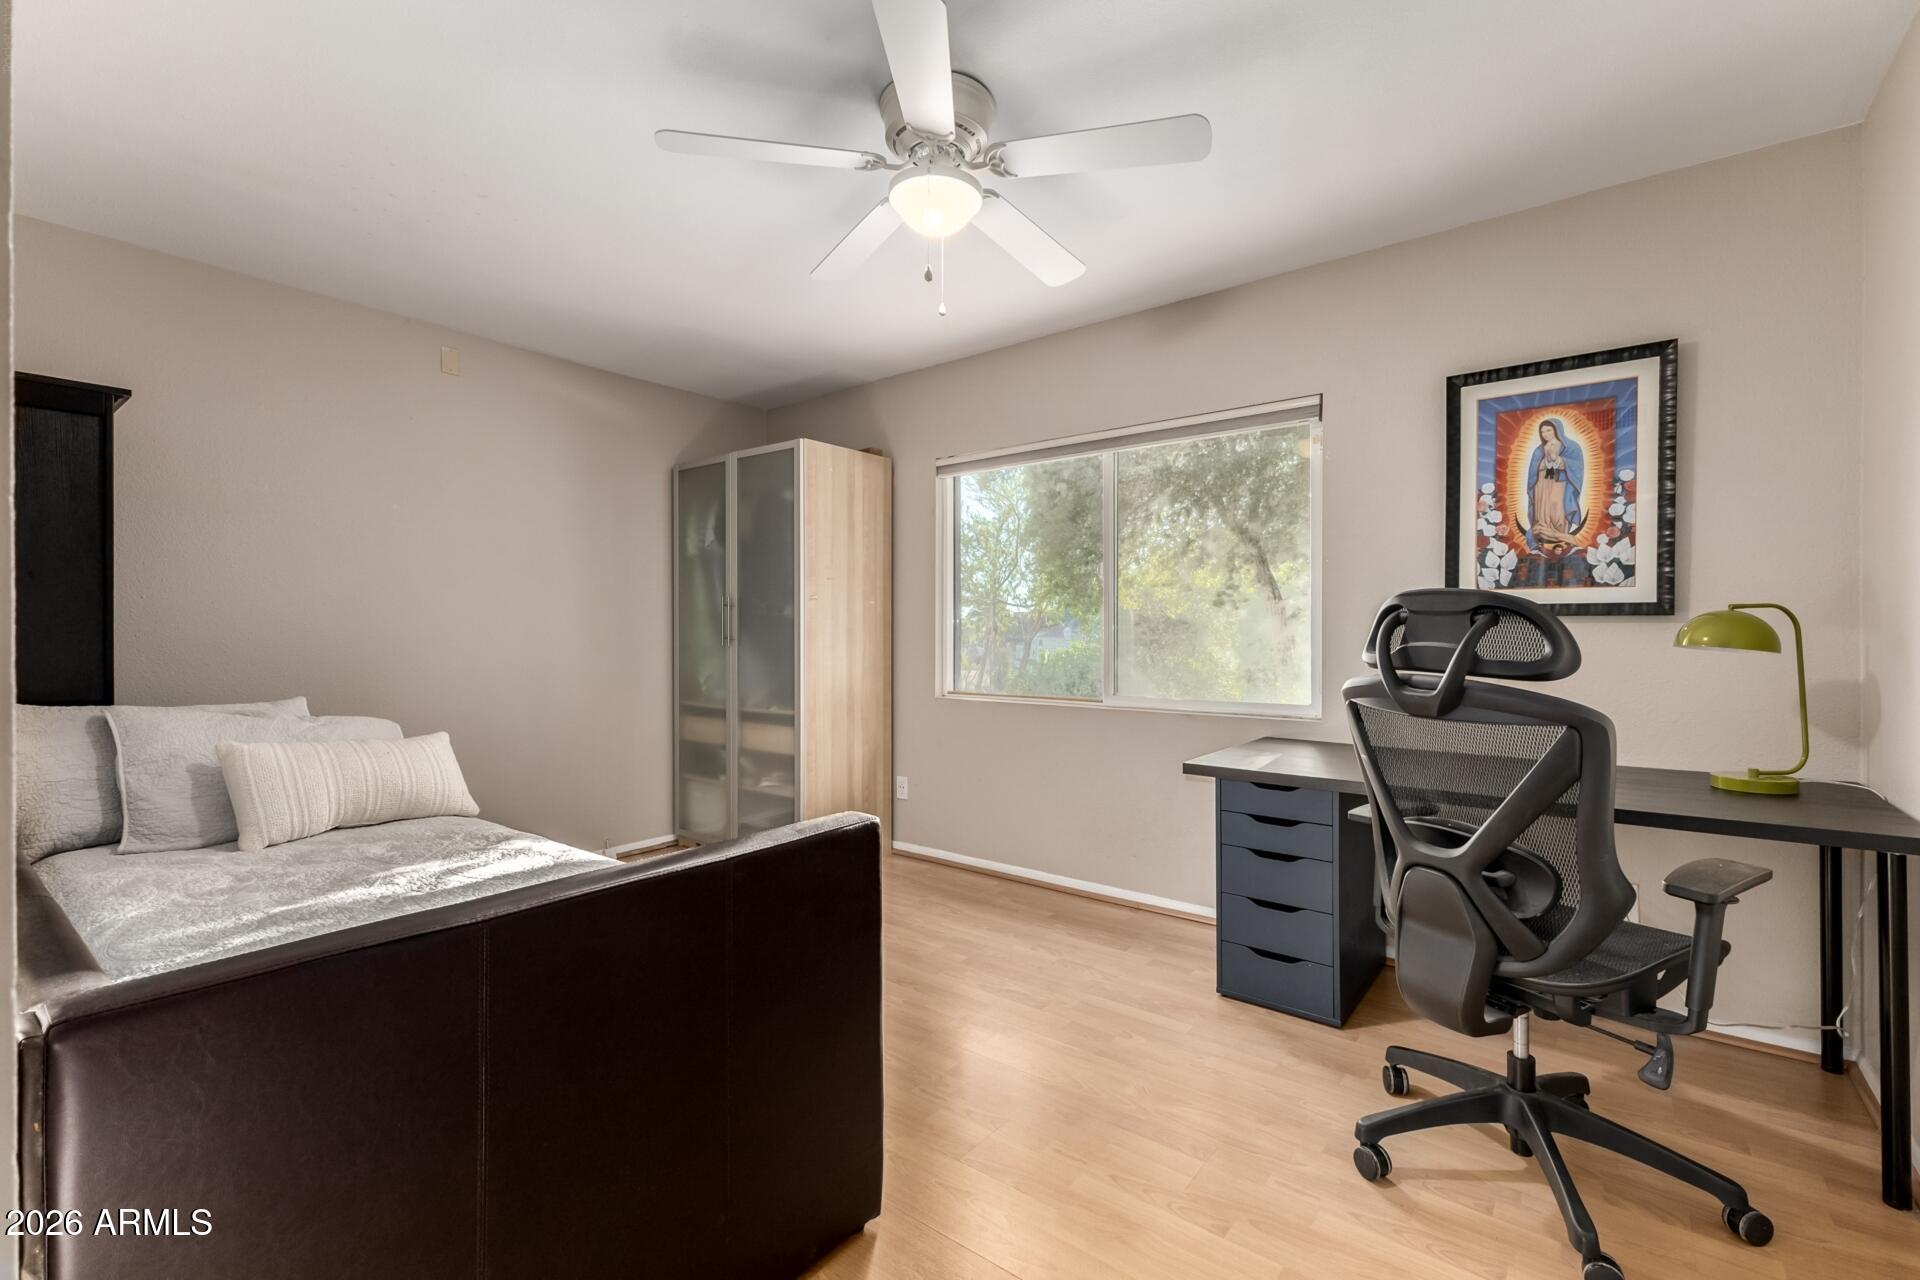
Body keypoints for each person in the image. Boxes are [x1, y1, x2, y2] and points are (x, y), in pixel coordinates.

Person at [1525, 416, 1585, 550]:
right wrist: (1546, 461)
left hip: (1560, 483)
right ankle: (1544, 530)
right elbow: (1533, 470)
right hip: (1542, 483)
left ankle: (1560, 534)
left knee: (1557, 506)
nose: (1545, 434)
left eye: (1549, 430)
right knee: (1543, 508)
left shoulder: (1572, 447)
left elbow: (1577, 466)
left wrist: (1558, 460)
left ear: (1557, 430)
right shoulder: (1539, 449)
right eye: (1542, 432)